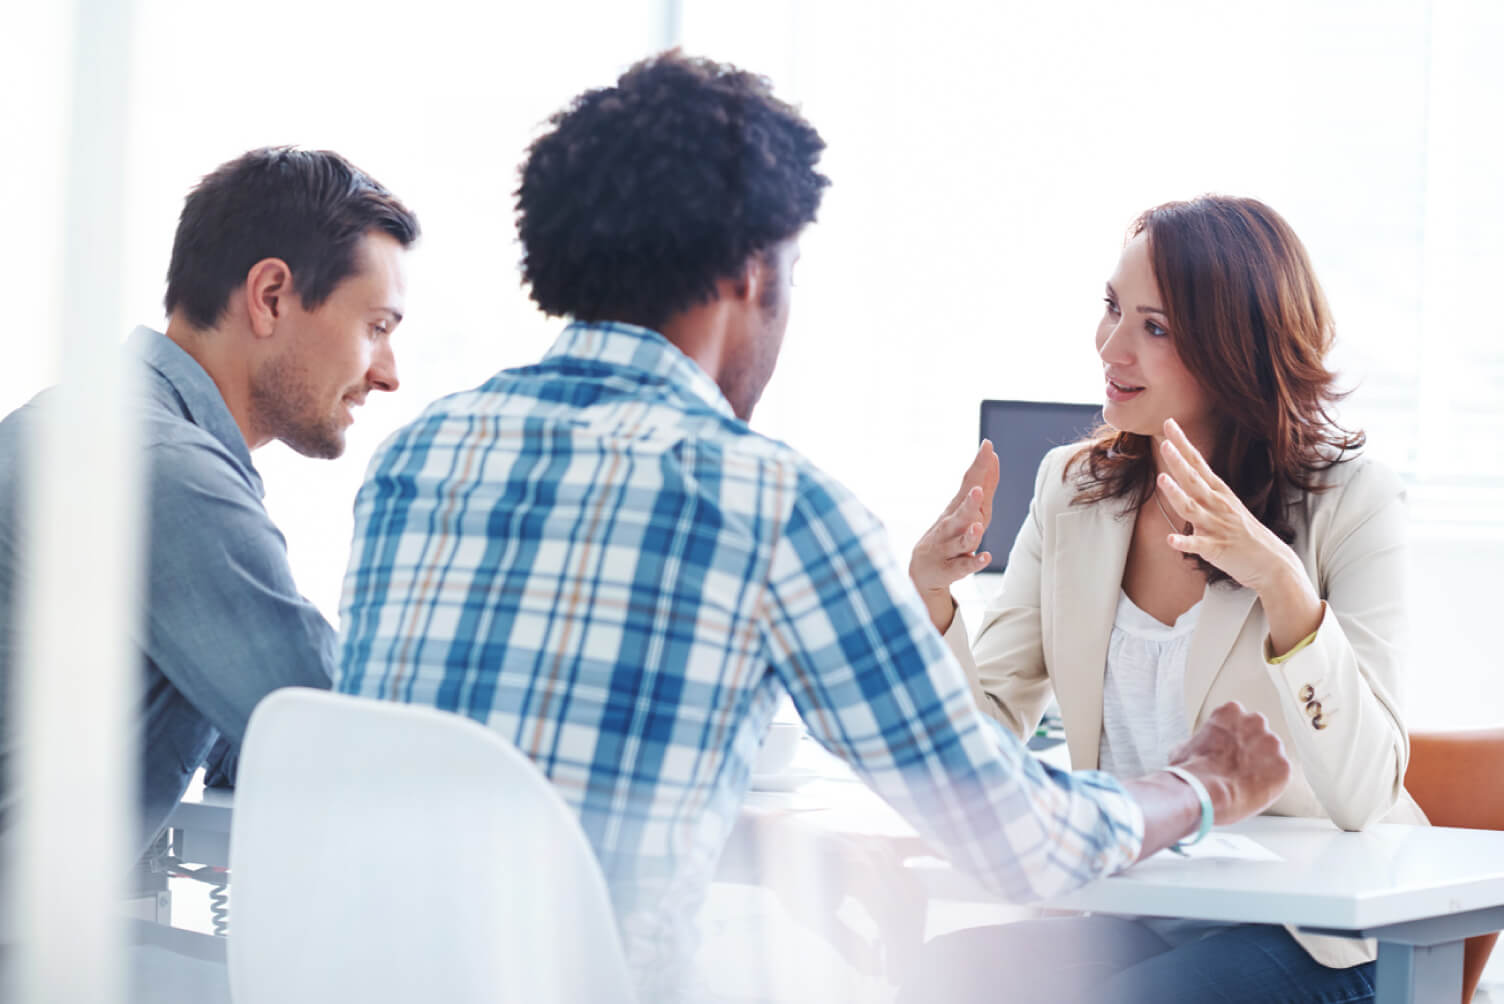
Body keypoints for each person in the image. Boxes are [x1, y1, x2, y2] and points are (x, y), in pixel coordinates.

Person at [335, 54, 1291, 1002]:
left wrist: (774, 845)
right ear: (753, 273)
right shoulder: (770, 502)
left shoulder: (416, 461)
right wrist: (1199, 784)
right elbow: (1019, 842)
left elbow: (524, 795)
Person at [904, 195, 1423, 1003]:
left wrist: (1280, 581)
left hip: (1315, 939)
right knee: (941, 975)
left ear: (1235, 350)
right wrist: (936, 604)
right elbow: (988, 740)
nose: (1112, 346)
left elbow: (1365, 795)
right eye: (1113, 308)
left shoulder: (1354, 502)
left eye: (1156, 328)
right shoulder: (1071, 490)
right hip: (1134, 912)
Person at [0, 146, 420, 863]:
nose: (388, 375)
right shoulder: (157, 468)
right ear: (271, 297)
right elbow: (337, 738)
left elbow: (245, 729)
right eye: (376, 327)